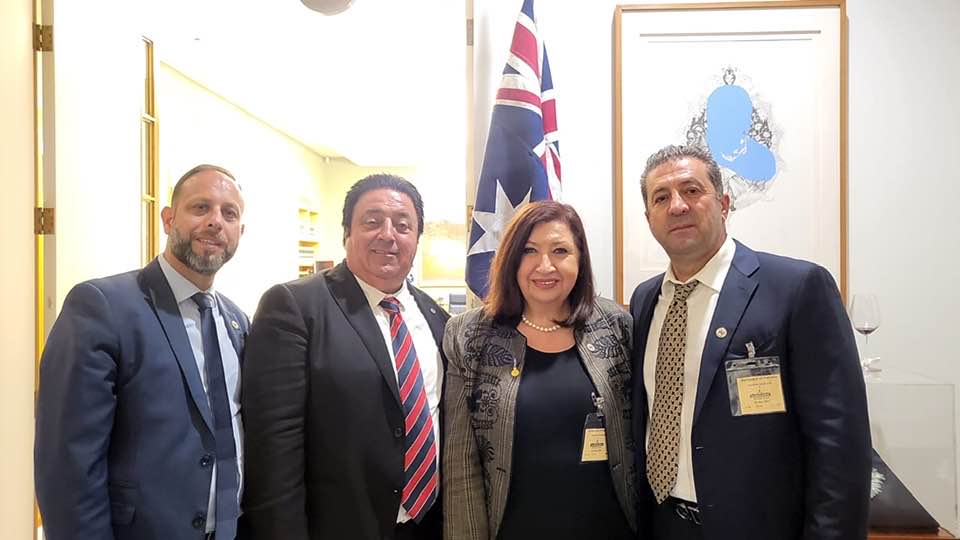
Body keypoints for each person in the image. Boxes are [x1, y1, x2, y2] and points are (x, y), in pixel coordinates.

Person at [629, 144, 870, 540]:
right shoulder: (644, 300)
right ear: (649, 218)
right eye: (661, 197)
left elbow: (839, 441)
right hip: (661, 523)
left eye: (691, 190)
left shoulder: (797, 288)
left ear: (723, 204)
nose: (677, 206)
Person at [35, 164, 249, 540]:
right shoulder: (102, 307)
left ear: (240, 233)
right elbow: (68, 464)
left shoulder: (237, 322)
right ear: (168, 219)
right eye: (200, 208)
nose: (216, 221)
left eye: (229, 213)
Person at [240, 174, 448, 540]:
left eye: (403, 225)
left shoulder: (436, 318)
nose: (388, 234)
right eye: (372, 221)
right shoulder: (296, 307)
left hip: (426, 526)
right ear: (346, 233)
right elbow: (273, 449)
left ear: (416, 239)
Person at [443, 201, 636, 540]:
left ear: (580, 260)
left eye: (560, 250)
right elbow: (461, 466)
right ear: (510, 259)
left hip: (609, 527)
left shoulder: (617, 326)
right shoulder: (469, 335)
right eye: (529, 251)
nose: (545, 266)